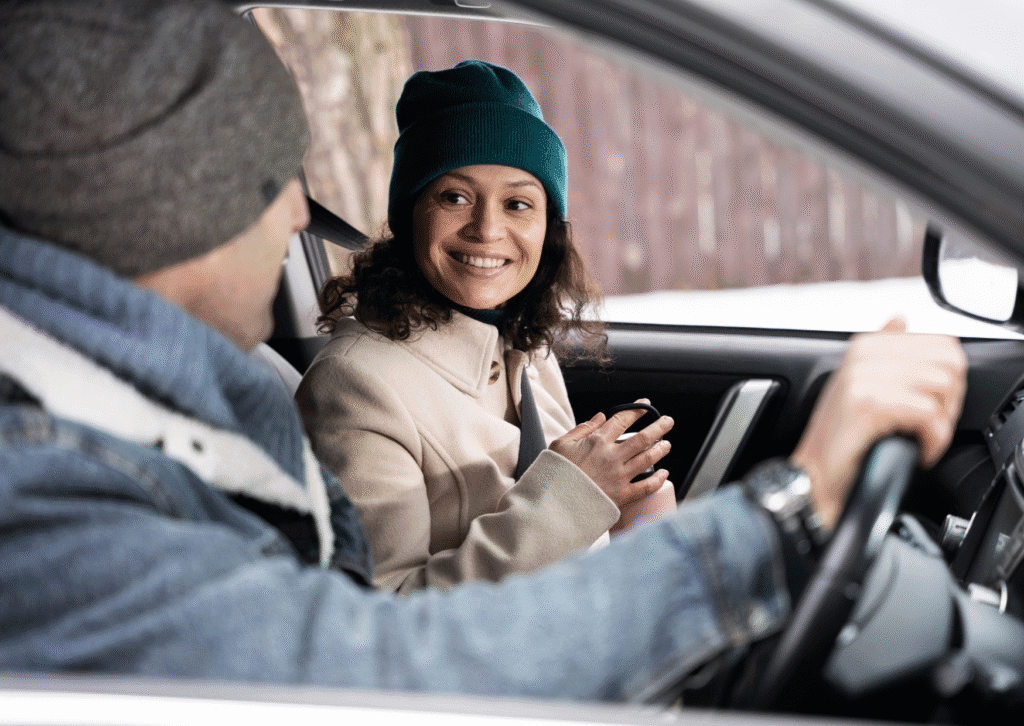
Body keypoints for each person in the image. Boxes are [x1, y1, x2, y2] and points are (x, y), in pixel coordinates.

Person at [0, 0, 966, 702]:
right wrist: (779, 512)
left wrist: (628, 518)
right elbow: (375, 663)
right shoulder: (51, 495)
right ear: (173, 208)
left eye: (520, 201)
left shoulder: (515, 348)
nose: (301, 213)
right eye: (267, 181)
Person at [296, 60, 677, 593]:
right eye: (454, 197)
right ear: (410, 216)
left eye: (518, 203)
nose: (487, 230)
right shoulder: (354, 384)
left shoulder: (525, 347)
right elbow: (381, 617)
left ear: (548, 228)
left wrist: (624, 507)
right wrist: (572, 497)